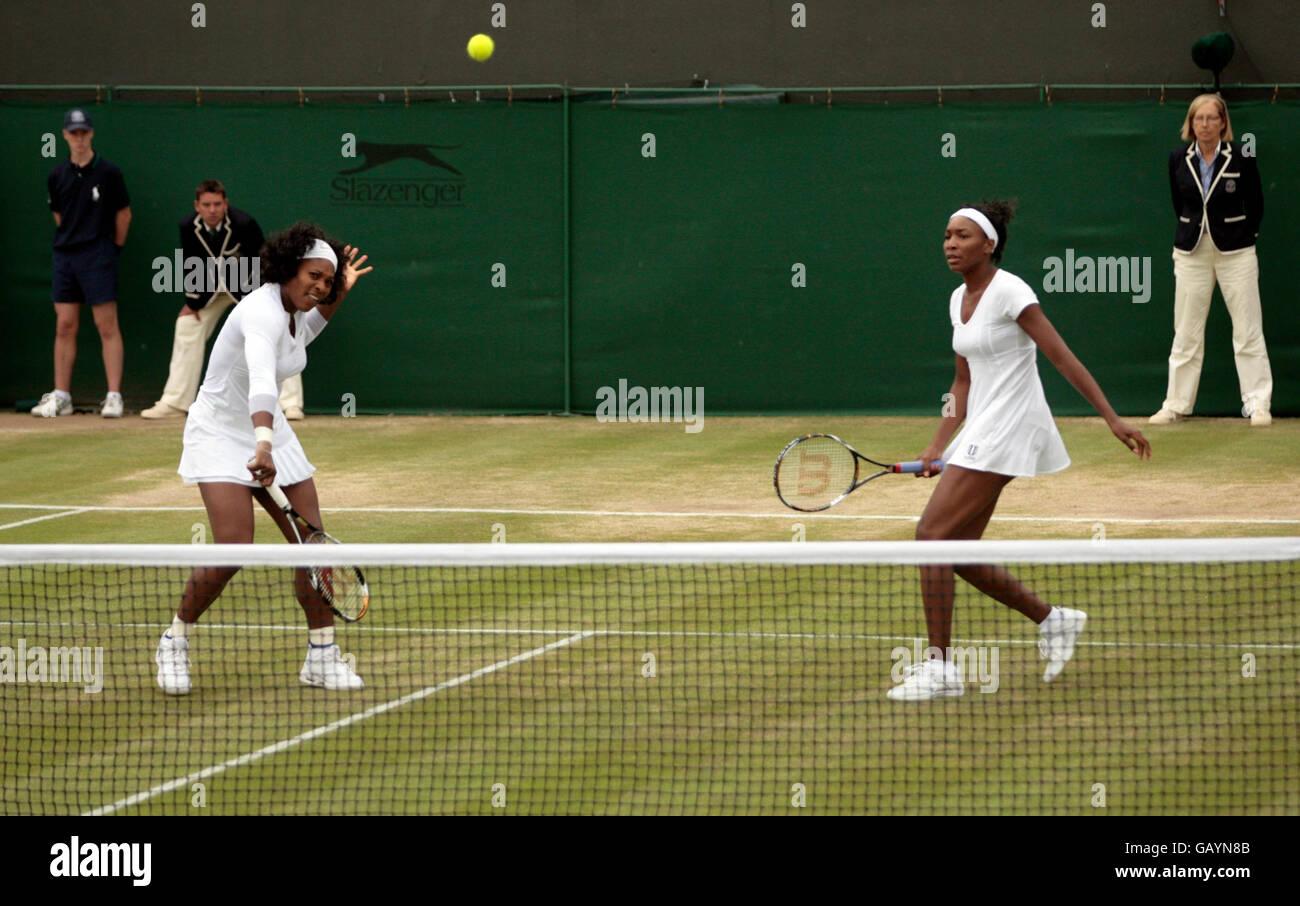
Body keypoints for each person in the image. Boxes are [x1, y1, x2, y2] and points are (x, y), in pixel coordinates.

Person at [887, 201, 1151, 702]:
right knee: (954, 551)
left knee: (929, 534)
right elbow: (962, 380)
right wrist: (937, 444)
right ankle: (1054, 620)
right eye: (946, 234)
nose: (950, 243)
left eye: (962, 235)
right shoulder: (955, 300)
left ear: (989, 244)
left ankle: (941, 668)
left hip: (1012, 425)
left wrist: (1111, 417)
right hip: (982, 426)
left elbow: (1060, 355)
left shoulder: (1011, 290)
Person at [153, 223, 372, 695]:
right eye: (315, 276)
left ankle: (321, 656)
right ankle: (174, 642)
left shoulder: (296, 313)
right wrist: (263, 445)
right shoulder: (260, 312)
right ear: (289, 268)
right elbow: (261, 381)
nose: (321, 286)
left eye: (328, 281)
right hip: (221, 431)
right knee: (235, 548)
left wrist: (340, 294)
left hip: (268, 430)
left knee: (312, 548)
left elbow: (307, 333)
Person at [1150, 93, 1271, 426]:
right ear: (1190, 123)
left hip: (1237, 253)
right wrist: (1196, 232)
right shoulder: (1178, 158)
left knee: (1247, 329)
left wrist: (1246, 238)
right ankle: (1176, 404)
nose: (1204, 125)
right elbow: (1181, 205)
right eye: (1198, 119)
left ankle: (1258, 403)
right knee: (1186, 331)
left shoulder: (1242, 156)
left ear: (1223, 122)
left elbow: (1255, 204)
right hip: (1191, 253)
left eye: (1211, 118)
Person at [142, 181, 307, 420]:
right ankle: (176, 401)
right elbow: (191, 264)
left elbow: (263, 261)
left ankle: (289, 404)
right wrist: (193, 303)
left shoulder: (244, 223)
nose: (212, 209)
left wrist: (267, 301)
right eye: (206, 204)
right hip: (210, 289)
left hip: (249, 288)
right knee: (187, 325)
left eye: (217, 204)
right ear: (197, 206)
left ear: (225, 204)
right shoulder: (187, 226)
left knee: (276, 330)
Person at [33, 108, 131, 418]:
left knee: (106, 325)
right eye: (73, 133)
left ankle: (114, 396)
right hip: (65, 256)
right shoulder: (56, 175)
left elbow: (123, 215)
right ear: (65, 135)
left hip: (98, 254)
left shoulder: (109, 172)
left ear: (91, 134)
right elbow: (59, 215)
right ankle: (62, 396)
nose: (78, 138)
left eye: (83, 132)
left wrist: (111, 248)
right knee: (64, 325)